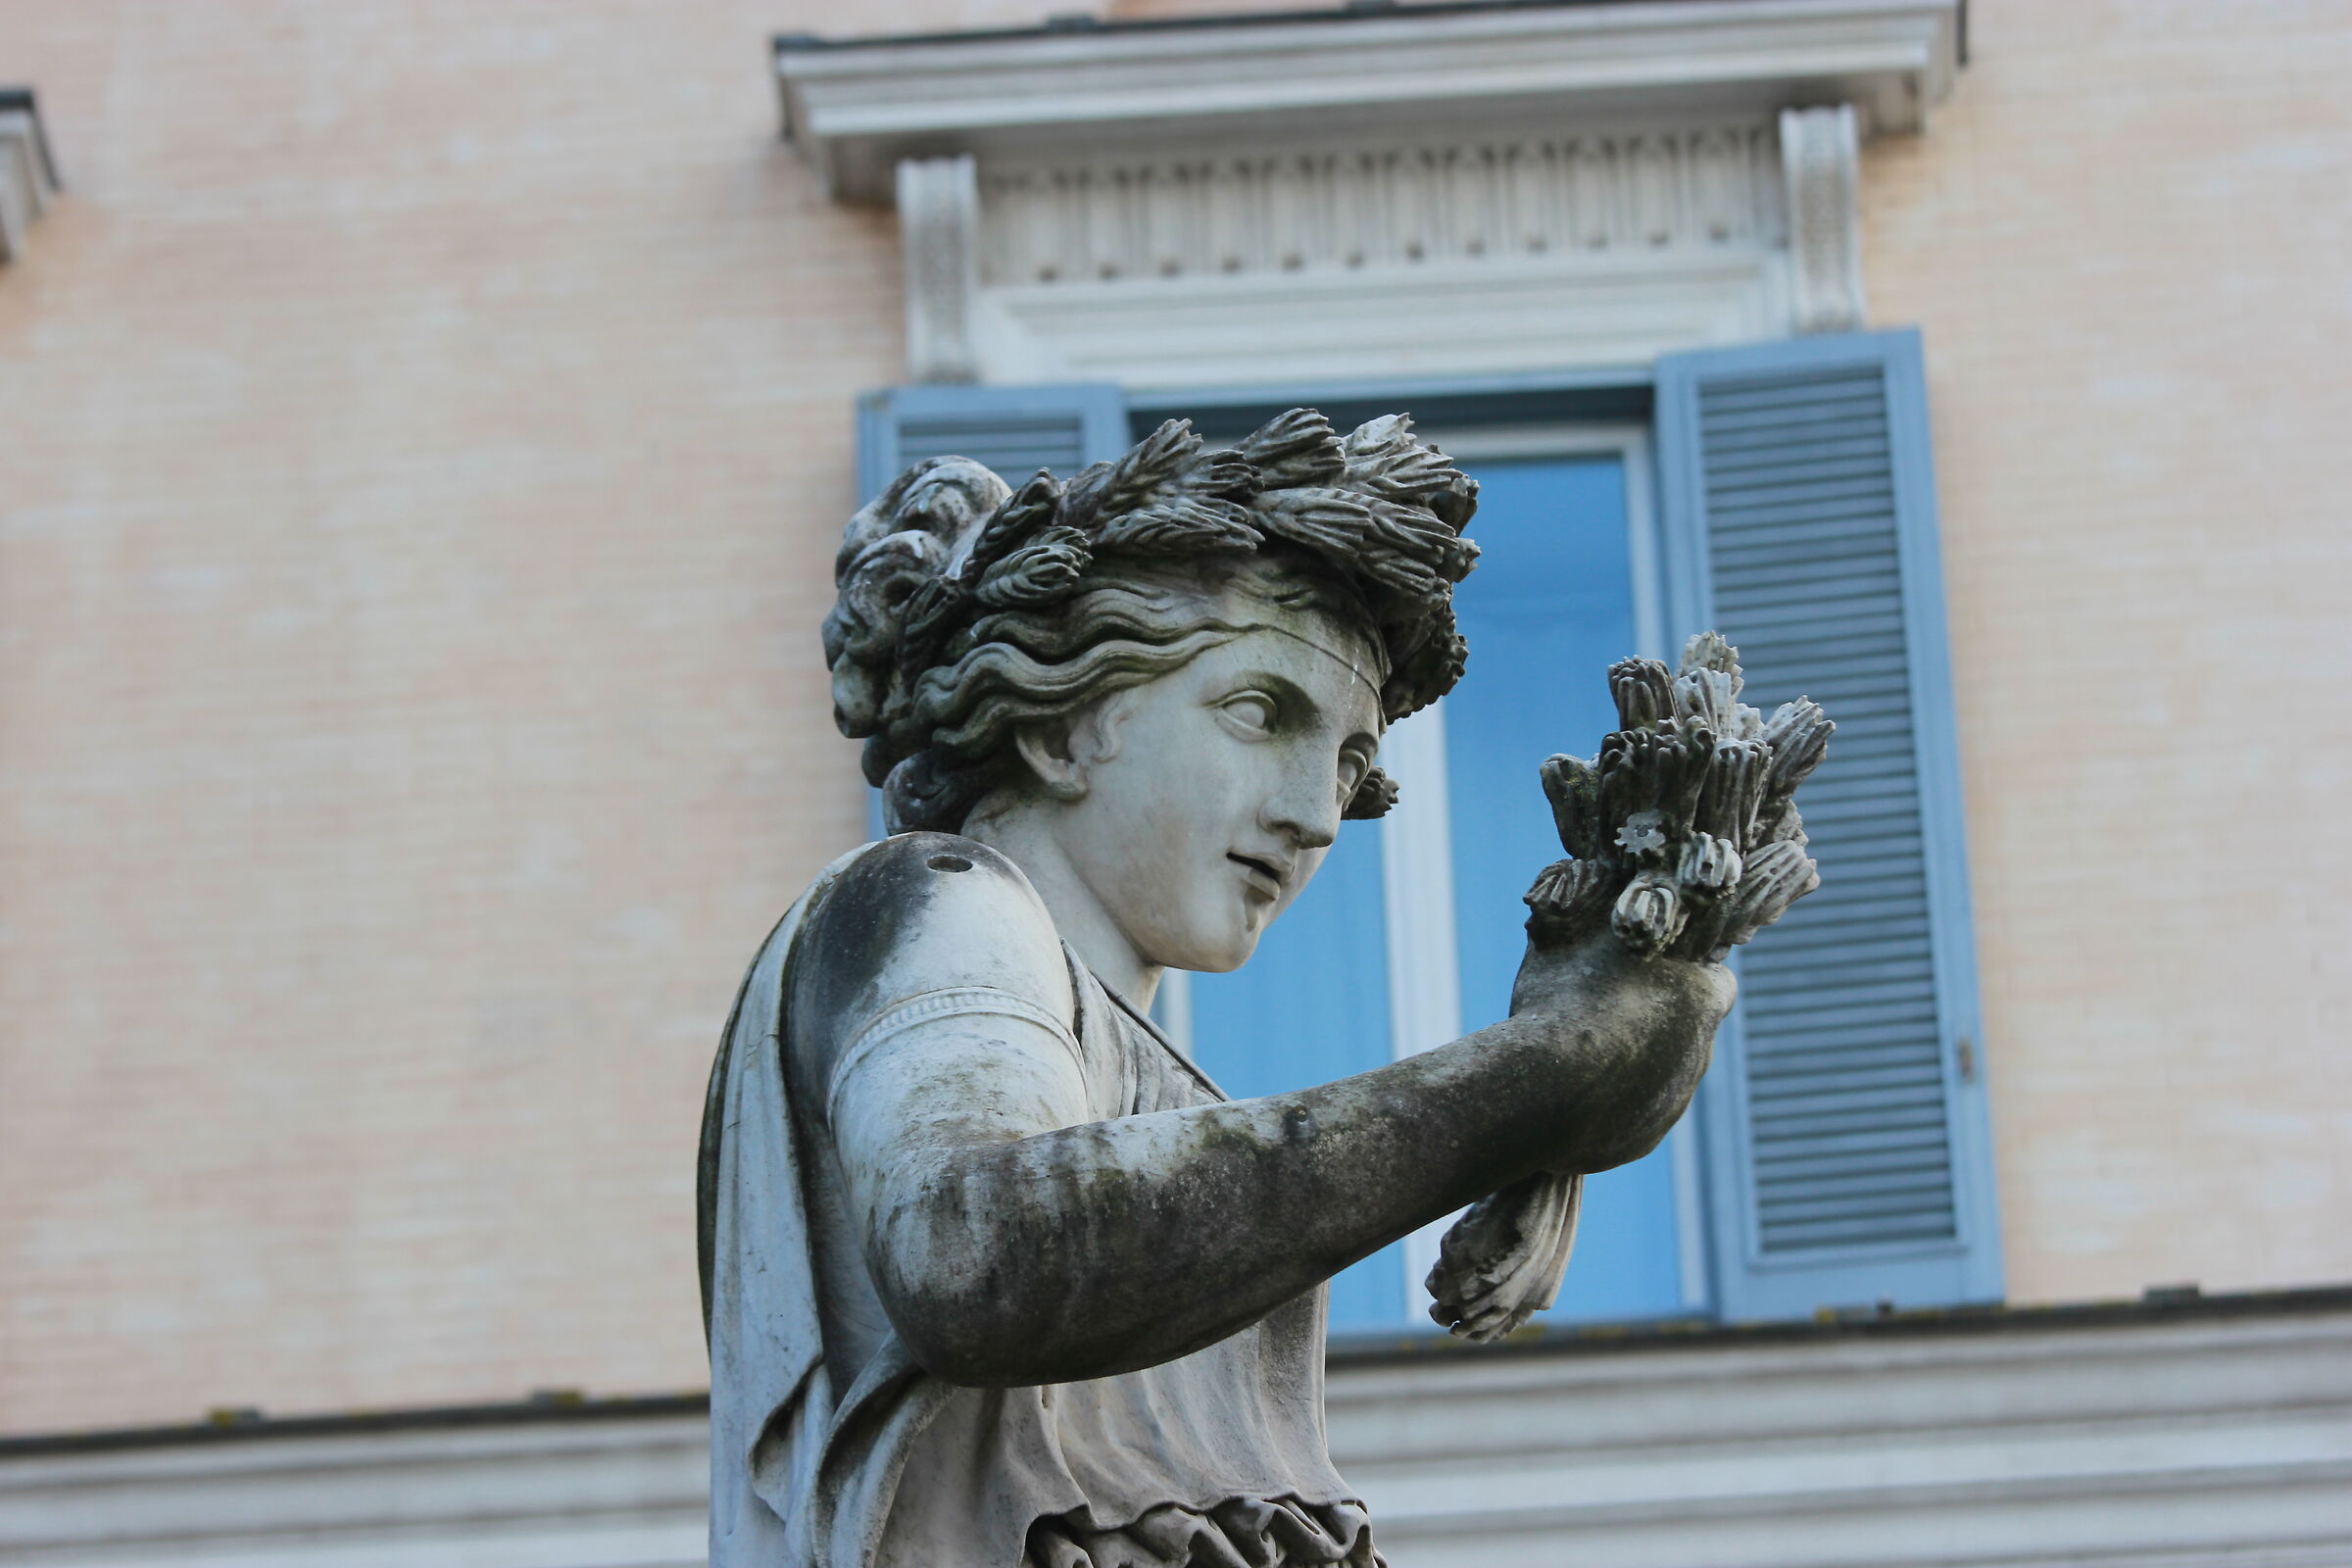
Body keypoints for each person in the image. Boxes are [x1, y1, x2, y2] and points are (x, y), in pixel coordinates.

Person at [699, 411, 1735, 1568]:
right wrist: (1533, 1081)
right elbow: (977, 1250)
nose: (1315, 814)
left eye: (1346, 762)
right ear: (1066, 720)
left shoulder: (1160, 1115)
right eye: (1259, 713)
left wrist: (1554, 1093)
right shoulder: (939, 899)